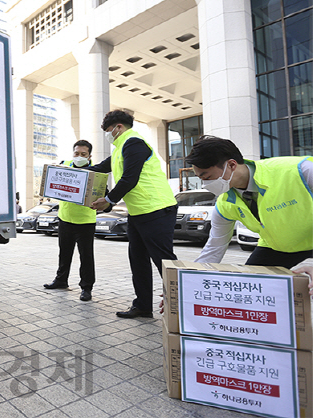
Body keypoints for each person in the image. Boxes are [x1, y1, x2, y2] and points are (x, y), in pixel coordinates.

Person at [89, 110, 178, 318]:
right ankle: (143, 306)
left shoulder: (134, 143)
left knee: (163, 261)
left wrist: (109, 201)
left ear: (118, 128)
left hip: (157, 209)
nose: (107, 135)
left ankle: (178, 306)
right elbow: (101, 168)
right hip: (139, 212)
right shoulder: (121, 148)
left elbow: (130, 179)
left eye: (108, 131)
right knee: (137, 260)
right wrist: (70, 172)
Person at [186, 135, 313, 270]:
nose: (205, 184)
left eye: (208, 177)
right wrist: (189, 279)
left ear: (231, 165)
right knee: (250, 282)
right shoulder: (225, 204)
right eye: (201, 179)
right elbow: (215, 246)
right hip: (277, 246)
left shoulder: (299, 171)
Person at [43, 140, 98, 301]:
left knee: (86, 256)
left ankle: (86, 287)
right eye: (76, 153)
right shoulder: (64, 165)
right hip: (65, 218)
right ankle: (61, 280)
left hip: (85, 221)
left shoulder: (95, 172)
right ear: (72, 153)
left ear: (89, 156)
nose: (79, 156)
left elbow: (102, 192)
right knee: (64, 253)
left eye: (83, 154)